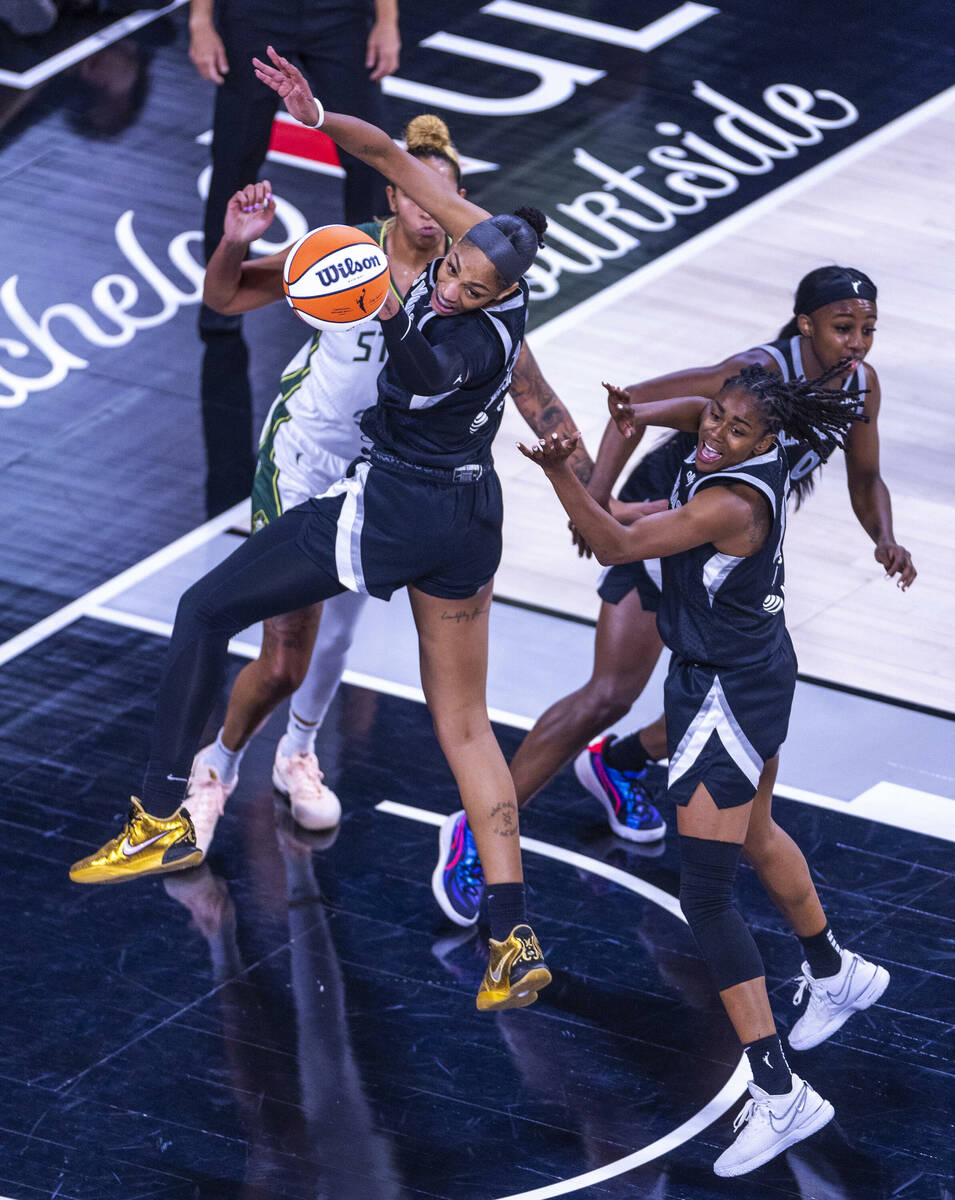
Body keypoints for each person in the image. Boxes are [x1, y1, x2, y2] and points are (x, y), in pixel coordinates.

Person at [69, 48, 578, 1013]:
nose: (454, 276)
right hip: (461, 517)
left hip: (381, 502)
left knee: (213, 614)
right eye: (453, 259)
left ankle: (168, 808)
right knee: (454, 722)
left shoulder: (437, 323)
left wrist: (394, 304)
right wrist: (311, 113)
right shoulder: (502, 277)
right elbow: (377, 154)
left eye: (467, 280)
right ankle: (511, 931)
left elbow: (426, 359)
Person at [185, 114, 593, 854]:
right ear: (394, 197)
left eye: (443, 199)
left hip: (384, 477)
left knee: (340, 634)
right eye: (414, 193)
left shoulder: (474, 288)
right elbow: (225, 297)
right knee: (283, 660)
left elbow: (535, 395)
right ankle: (214, 768)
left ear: (457, 206)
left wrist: (591, 495)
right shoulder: (346, 253)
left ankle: (297, 756)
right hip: (308, 459)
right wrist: (235, 243)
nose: (427, 210)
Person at [519, 365, 889, 1176]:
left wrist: (561, 477)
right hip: (740, 671)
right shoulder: (744, 451)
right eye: (713, 421)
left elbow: (616, 544)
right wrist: (642, 410)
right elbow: (691, 418)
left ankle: (779, 1092)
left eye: (733, 430)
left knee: (707, 894)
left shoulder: (729, 502)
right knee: (755, 831)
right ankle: (834, 971)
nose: (713, 435)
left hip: (725, 693)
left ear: (767, 441)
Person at [518, 265, 916, 835]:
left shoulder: (860, 383)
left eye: (868, 329)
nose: (856, 343)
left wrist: (884, 537)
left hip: (731, 546)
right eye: (843, 328)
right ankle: (485, 827)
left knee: (732, 691)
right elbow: (629, 407)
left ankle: (617, 762)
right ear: (806, 325)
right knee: (610, 693)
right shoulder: (753, 373)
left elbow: (866, 476)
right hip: (672, 512)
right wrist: (599, 499)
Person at [189, 0, 400, 515]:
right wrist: (200, 21)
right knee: (235, 158)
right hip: (254, 15)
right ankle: (220, 297)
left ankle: (372, 288)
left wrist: (388, 20)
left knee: (369, 161)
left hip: (340, 15)